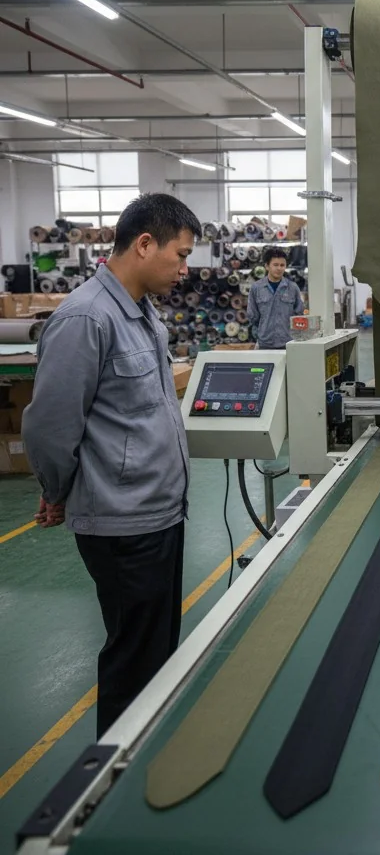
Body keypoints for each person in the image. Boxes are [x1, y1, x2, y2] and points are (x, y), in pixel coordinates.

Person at [23, 193, 201, 737]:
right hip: (122, 524)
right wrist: (56, 491)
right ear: (144, 244)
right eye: (181, 254)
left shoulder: (143, 312)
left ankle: (142, 750)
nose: (185, 269)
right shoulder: (85, 319)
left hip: (159, 511)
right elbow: (49, 427)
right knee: (133, 659)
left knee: (154, 651)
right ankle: (111, 778)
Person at [247, 246, 305, 349]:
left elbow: (299, 313)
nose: (279, 268)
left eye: (282, 265)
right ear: (267, 266)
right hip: (264, 344)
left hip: (288, 344)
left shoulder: (292, 287)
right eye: (275, 265)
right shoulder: (256, 288)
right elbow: (253, 316)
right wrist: (264, 328)